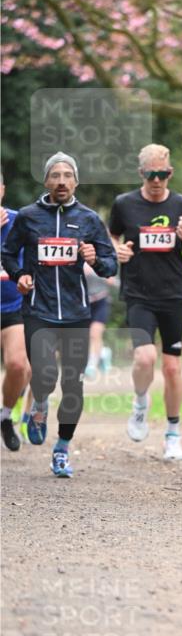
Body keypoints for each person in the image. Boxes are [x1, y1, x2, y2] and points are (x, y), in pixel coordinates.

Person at [1, 152, 117, 477]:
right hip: (38, 310)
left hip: (78, 313)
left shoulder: (90, 220)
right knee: (45, 374)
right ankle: (38, 404)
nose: (62, 180)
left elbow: (110, 264)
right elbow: (9, 254)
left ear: (76, 181)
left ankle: (62, 448)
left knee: (73, 385)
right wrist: (20, 275)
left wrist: (94, 258)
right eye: (55, 175)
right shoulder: (27, 217)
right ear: (46, 180)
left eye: (68, 175)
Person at [109, 144, 182, 461]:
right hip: (138, 293)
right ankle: (140, 400)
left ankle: (173, 434)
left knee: (172, 368)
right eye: (151, 174)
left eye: (162, 174)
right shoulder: (124, 204)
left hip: (172, 294)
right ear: (141, 173)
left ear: (170, 173)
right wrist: (115, 251)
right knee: (145, 359)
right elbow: (111, 236)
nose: (157, 180)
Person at [1, 178, 31, 451]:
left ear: (2, 189)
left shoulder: (18, 221)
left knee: (20, 366)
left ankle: (5, 415)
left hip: (12, 308)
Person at [83, 263, 118, 379]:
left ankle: (91, 366)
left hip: (101, 301)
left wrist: (97, 273)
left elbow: (114, 282)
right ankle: (103, 352)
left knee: (95, 334)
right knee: (86, 336)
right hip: (83, 303)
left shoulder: (102, 258)